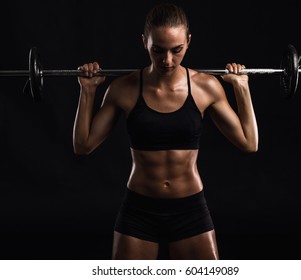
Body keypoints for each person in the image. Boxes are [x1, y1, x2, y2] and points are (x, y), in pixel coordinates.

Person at [73, 2, 258, 260]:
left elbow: (249, 142)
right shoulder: (123, 88)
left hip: (190, 210)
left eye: (177, 50)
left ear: (188, 42)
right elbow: (83, 145)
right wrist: (88, 91)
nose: (167, 60)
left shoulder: (206, 87)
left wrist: (242, 88)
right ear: (144, 42)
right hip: (139, 210)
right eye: (157, 50)